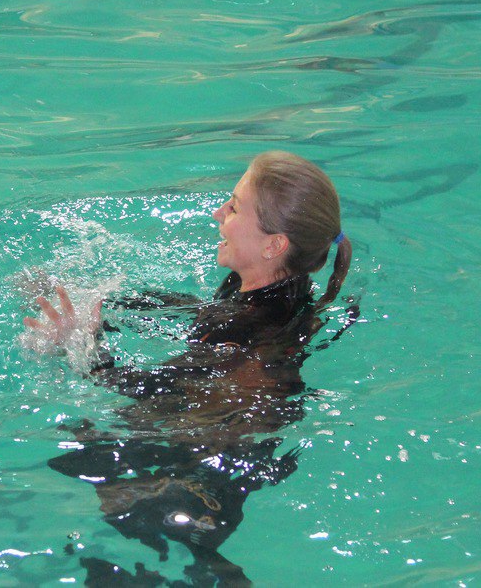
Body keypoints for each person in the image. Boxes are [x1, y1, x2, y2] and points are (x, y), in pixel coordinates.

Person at [23, 151, 358, 586]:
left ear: (274, 245)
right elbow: (206, 318)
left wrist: (82, 344)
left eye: (234, 207)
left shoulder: (239, 325)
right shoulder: (279, 291)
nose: (218, 212)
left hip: (203, 459)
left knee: (86, 477)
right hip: (234, 446)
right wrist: (112, 301)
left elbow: (148, 386)